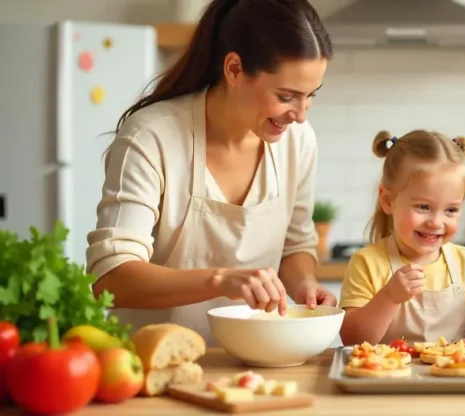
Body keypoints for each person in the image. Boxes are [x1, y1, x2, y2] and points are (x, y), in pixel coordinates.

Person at [86, 0, 337, 345]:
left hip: (251, 360)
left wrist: (304, 284)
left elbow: (295, 246)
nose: (300, 114)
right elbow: (110, 278)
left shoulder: (299, 142)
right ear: (234, 69)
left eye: (310, 96)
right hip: (150, 362)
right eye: (286, 96)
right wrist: (220, 280)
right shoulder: (153, 136)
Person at [338, 130, 465, 349]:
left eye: (451, 210)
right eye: (423, 207)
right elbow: (352, 339)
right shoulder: (366, 263)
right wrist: (389, 297)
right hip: (385, 378)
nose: (436, 222)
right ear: (388, 201)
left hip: (454, 376)